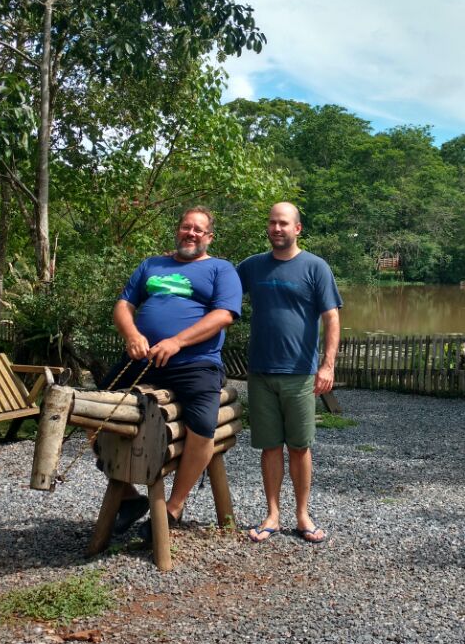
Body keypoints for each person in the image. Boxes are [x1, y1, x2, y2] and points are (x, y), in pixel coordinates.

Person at [102, 206, 242, 537]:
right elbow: (123, 305)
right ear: (177, 230)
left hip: (196, 364)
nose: (190, 233)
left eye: (198, 230)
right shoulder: (152, 264)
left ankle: (173, 506)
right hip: (143, 361)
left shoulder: (221, 270)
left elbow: (224, 315)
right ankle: (126, 496)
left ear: (209, 237)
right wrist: (133, 335)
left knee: (204, 426)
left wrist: (177, 341)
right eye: (185, 227)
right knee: (93, 410)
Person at [236, 202, 342, 544]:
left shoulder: (315, 267)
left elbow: (331, 318)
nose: (276, 228)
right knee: (269, 447)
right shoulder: (252, 267)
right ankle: (272, 515)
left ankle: (302, 514)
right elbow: (219, 292)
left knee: (299, 446)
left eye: (283, 223)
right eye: (272, 223)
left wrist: (327, 365)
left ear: (297, 228)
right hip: (261, 372)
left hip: (300, 373)